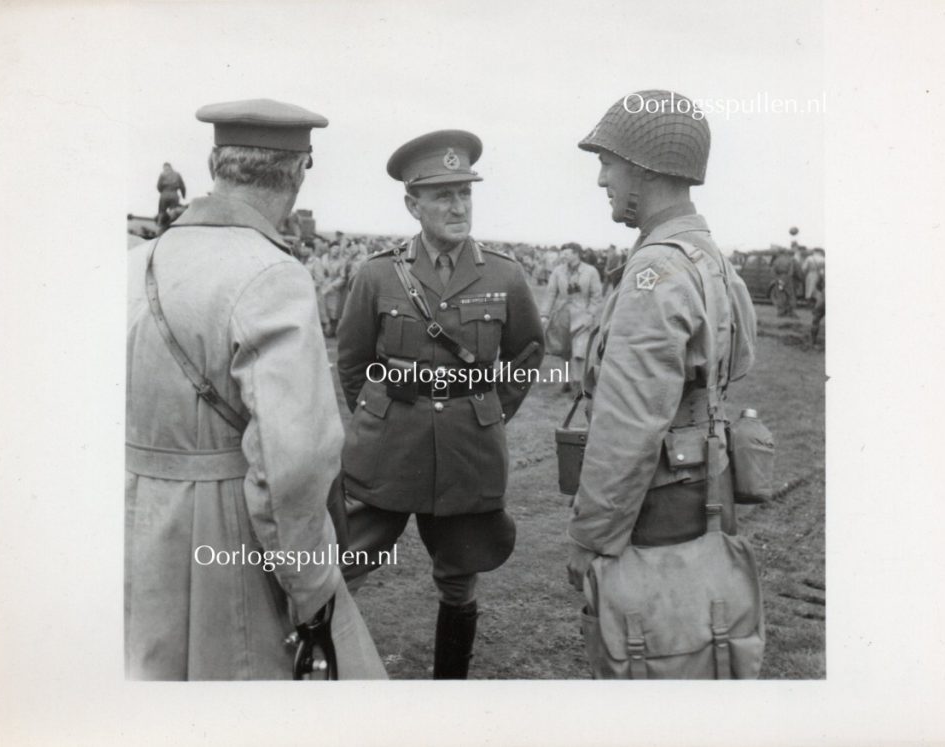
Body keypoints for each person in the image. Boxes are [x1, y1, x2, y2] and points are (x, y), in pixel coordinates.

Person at [126, 98, 385, 680]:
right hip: (223, 534)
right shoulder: (272, 274)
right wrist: (312, 588)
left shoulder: (135, 262)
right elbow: (291, 463)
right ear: (299, 171)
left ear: (213, 162)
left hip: (131, 521)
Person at [567, 89, 764, 679]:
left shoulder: (655, 270)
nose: (602, 179)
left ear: (646, 168)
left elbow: (626, 428)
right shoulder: (709, 257)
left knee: (650, 664)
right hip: (705, 493)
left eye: (609, 163)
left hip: (655, 513)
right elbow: (741, 361)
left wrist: (591, 539)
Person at [336, 130, 545, 679]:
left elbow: (526, 354)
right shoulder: (378, 274)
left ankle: (448, 692)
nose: (458, 207)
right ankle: (326, 680)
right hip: (388, 448)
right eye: (443, 195)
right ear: (413, 205)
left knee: (459, 577)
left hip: (466, 450)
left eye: (465, 193)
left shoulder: (504, 274)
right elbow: (353, 362)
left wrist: (486, 412)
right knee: (343, 567)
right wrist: (381, 415)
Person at [541, 242, 603, 393]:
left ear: (576, 254)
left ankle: (578, 382)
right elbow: (550, 294)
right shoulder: (558, 271)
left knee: (579, 352)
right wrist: (544, 314)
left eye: (566, 253)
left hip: (583, 317)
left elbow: (596, 296)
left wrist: (590, 314)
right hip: (562, 316)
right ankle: (566, 381)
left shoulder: (590, 271)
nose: (563, 256)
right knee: (564, 351)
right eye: (563, 253)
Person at [155, 162, 187, 231]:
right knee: (173, 212)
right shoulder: (177, 174)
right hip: (174, 194)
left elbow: (158, 186)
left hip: (164, 194)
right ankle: (172, 229)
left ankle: (159, 228)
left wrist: (163, 191)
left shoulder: (162, 174)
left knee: (161, 212)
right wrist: (183, 195)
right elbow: (182, 186)